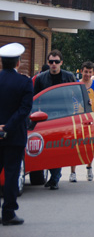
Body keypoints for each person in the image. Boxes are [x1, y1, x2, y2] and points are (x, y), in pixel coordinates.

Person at [33, 49, 76, 188]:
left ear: (61, 62)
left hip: (64, 116)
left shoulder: (69, 76)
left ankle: (55, 178)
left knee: (58, 148)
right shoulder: (41, 78)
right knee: (47, 148)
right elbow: (34, 99)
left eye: (56, 62)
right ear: (48, 62)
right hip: (46, 117)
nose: (53, 64)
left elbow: (77, 94)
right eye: (51, 62)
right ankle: (54, 176)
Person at [0, 43, 33, 226]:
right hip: (14, 136)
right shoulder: (24, 82)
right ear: (18, 62)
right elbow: (24, 109)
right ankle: (8, 213)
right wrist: (7, 127)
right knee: (12, 175)